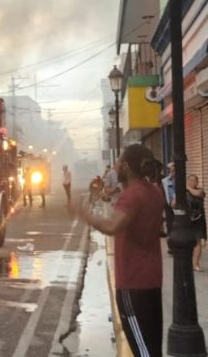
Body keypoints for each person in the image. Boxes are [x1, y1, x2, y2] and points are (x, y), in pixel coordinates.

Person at [73, 145, 164, 357]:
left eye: (118, 163)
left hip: (133, 283)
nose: (114, 167)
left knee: (142, 350)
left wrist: (84, 213)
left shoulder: (132, 195)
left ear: (127, 167)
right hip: (151, 280)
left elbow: (112, 226)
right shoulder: (155, 192)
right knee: (152, 345)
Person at [187, 174, 206, 272]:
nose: (192, 182)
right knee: (189, 242)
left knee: (198, 241)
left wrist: (187, 188)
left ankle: (195, 263)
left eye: (194, 180)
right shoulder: (184, 193)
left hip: (198, 219)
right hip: (187, 220)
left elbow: (197, 194)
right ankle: (192, 262)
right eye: (190, 180)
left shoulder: (200, 191)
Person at [160, 162, 176, 236]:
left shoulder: (182, 180)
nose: (174, 173)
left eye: (175, 171)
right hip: (168, 207)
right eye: (172, 171)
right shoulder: (164, 181)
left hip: (179, 206)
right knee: (169, 225)